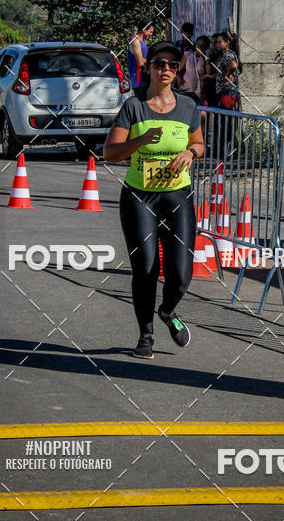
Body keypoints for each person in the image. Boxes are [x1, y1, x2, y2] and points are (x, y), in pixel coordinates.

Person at [104, 41, 204, 359]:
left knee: (181, 273)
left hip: (177, 195)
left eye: (173, 65)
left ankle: (167, 311)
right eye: (160, 63)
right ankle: (145, 335)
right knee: (146, 268)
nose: (166, 69)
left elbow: (200, 142)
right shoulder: (133, 106)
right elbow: (110, 152)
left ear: (177, 72)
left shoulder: (188, 106)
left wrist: (190, 152)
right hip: (139, 197)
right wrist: (141, 140)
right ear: (149, 67)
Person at [126, 19, 154, 91]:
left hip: (144, 80)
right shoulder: (135, 41)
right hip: (138, 82)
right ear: (144, 30)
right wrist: (153, 62)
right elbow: (140, 62)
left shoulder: (142, 42)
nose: (151, 34)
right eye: (150, 32)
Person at [195, 35, 215, 106]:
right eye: (197, 44)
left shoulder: (208, 57)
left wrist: (207, 57)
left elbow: (209, 71)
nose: (199, 47)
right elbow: (199, 77)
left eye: (202, 45)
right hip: (199, 90)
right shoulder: (193, 56)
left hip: (209, 89)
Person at [178, 36, 199, 103]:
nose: (200, 47)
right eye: (198, 45)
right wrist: (179, 77)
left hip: (200, 93)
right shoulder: (188, 54)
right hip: (186, 90)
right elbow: (178, 69)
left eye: (203, 45)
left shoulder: (207, 58)